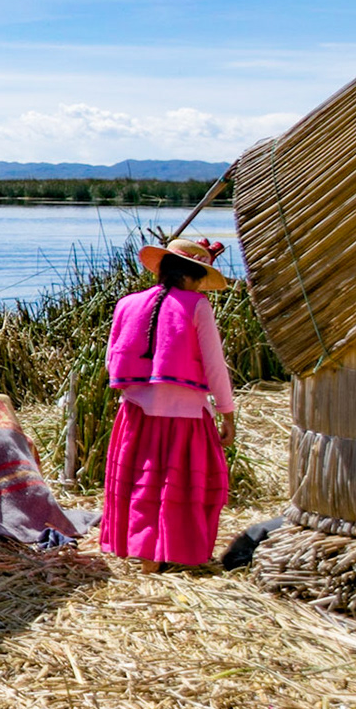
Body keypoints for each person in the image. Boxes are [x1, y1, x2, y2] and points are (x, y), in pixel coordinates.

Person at [101, 236, 236, 572]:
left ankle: (144, 554)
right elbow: (214, 364)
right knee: (181, 484)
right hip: (185, 416)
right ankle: (168, 552)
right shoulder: (197, 305)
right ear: (192, 276)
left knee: (143, 482)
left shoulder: (127, 303)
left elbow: (110, 360)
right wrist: (226, 411)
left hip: (136, 412)